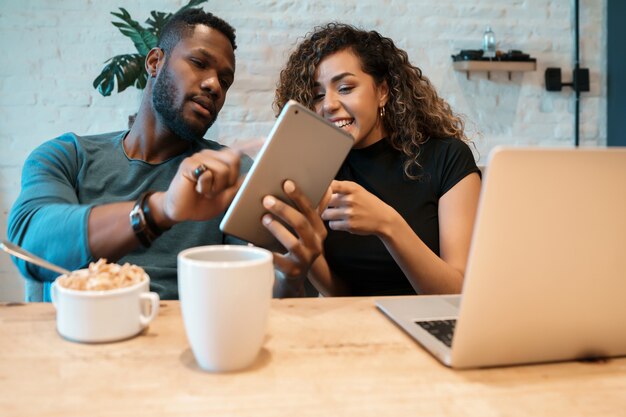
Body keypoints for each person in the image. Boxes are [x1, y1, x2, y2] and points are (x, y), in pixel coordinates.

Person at [7, 8, 323, 301]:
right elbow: (31, 244)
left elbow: (260, 298)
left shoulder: (233, 173)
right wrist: (160, 210)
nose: (214, 85)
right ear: (155, 62)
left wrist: (290, 275)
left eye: (225, 81)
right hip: (86, 336)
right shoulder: (67, 156)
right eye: (199, 63)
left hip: (193, 343)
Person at [268, 23, 481, 296]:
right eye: (317, 95)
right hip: (355, 324)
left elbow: (458, 295)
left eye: (344, 88)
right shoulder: (315, 170)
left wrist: (387, 224)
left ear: (382, 92)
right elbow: (341, 296)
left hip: (432, 324)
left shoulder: (447, 157)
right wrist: (304, 253)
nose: (328, 104)